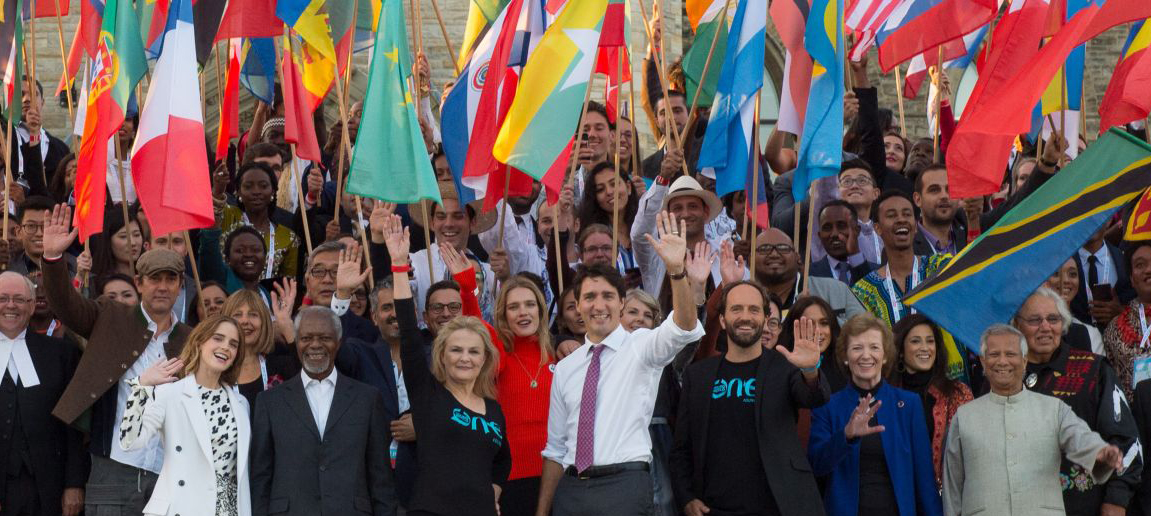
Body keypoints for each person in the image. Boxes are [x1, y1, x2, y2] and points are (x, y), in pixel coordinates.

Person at [538, 211, 705, 516]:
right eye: (589, 297)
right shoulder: (565, 368)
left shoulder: (642, 347)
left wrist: (677, 271)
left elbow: (683, 326)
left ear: (621, 303)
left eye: (607, 296)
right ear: (578, 306)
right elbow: (555, 449)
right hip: (571, 488)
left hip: (625, 485)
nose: (598, 305)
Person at [42, 203, 193, 515]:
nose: (162, 287)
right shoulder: (109, 316)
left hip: (173, 473)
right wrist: (54, 259)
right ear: (138, 284)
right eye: (154, 279)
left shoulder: (192, 340)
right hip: (114, 470)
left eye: (170, 279)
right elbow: (65, 305)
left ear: (180, 286)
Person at [382, 214, 512, 516]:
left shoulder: (493, 408)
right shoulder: (428, 394)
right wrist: (399, 265)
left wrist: (492, 492)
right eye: (456, 350)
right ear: (442, 355)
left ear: (484, 359)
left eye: (473, 351)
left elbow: (503, 460)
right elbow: (411, 336)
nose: (465, 357)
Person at [670, 281, 829, 516]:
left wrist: (810, 370)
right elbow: (682, 447)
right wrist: (686, 497)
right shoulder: (698, 375)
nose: (746, 317)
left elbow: (814, 397)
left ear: (766, 320)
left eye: (754, 310)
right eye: (736, 309)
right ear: (723, 320)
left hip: (779, 506)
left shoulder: (785, 367)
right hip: (713, 508)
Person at [942, 324, 1125, 516]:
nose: (1002, 361)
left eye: (1010, 354)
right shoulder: (964, 416)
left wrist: (1100, 452)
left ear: (1024, 360)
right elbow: (952, 486)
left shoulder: (1053, 409)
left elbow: (1078, 437)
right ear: (982, 361)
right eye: (994, 354)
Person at [249, 306, 397, 516]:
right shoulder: (270, 401)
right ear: (297, 341)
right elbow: (260, 478)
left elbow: (381, 478)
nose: (315, 345)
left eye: (324, 337)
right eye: (307, 338)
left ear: (338, 343)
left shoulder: (367, 399)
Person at [1013, 287, 1142, 515]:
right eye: (1034, 320)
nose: (1045, 327)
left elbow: (1127, 441)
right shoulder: (1005, 376)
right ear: (1017, 325)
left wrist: (1117, 499)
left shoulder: (1094, 370)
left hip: (1083, 507)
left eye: (1053, 319)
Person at [808, 314, 942, 516]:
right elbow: (816, 465)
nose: (866, 355)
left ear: (885, 355)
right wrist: (846, 436)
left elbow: (924, 479)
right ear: (845, 357)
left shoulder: (908, 405)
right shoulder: (828, 406)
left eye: (874, 347)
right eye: (857, 348)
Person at [119, 315, 252, 516]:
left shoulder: (241, 404)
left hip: (228, 510)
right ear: (199, 342)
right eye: (218, 338)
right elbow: (130, 442)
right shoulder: (170, 394)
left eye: (233, 344)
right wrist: (142, 386)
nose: (226, 347)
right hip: (181, 507)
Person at [0, 272, 86, 516]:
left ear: (31, 305)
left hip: (48, 486)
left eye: (19, 299)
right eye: (3, 298)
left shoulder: (60, 353)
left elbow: (73, 426)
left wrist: (74, 484)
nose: (10, 305)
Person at [889, 315, 973, 487]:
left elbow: (969, 452)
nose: (925, 348)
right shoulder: (886, 395)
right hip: (896, 495)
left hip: (943, 497)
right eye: (915, 341)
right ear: (900, 350)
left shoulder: (957, 394)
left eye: (930, 341)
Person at [407, 182, 498, 324]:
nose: (449, 223)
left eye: (458, 216)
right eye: (441, 216)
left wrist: (503, 277)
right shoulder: (414, 263)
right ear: (432, 223)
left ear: (472, 222)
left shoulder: (487, 273)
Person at [632, 175, 726, 297]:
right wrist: (663, 179)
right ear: (667, 215)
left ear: (706, 212)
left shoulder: (724, 258)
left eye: (693, 206)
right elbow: (640, 235)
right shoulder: (657, 255)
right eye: (677, 208)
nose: (685, 214)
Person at [753, 228, 867, 323]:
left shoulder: (836, 290)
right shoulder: (741, 296)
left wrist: (818, 318)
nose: (774, 254)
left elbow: (866, 331)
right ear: (750, 258)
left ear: (797, 257)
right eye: (764, 249)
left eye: (783, 248)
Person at [218, 162, 301, 279]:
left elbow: (288, 284)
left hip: (266, 296)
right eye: (248, 186)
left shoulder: (288, 237)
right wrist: (217, 191)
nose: (256, 191)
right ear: (239, 192)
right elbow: (213, 215)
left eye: (263, 186)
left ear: (273, 191)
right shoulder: (227, 215)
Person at [222, 288, 299, 410]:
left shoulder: (280, 365)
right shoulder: (217, 371)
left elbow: (308, 378)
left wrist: (287, 327)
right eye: (237, 315)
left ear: (264, 323)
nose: (245, 321)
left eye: (253, 314)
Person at [1104, 241, 1151, 400]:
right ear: (1131, 279)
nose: (1148, 270)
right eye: (1140, 265)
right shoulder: (1114, 329)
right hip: (1134, 420)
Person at [1072, 224, 1134, 329]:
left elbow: (1140, 304)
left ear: (1109, 219)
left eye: (1095, 214)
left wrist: (1121, 312)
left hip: (1116, 339)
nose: (1091, 221)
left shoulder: (1125, 261)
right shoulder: (1062, 262)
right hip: (1076, 341)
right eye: (1086, 214)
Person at [811, 200, 877, 285]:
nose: (834, 234)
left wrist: (855, 255)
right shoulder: (808, 276)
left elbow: (871, 297)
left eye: (841, 226)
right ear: (820, 236)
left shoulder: (878, 273)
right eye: (827, 228)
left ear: (857, 230)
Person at [1047, 256, 1104, 354]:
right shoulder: (1030, 329)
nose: (1065, 280)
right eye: (1056, 274)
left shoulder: (1090, 334)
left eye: (1072, 274)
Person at [9, 196, 76, 275]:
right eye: (31, 226)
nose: (39, 233)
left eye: (46, 226)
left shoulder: (76, 267)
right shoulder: (7, 267)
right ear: (18, 232)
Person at [911, 166, 967, 256]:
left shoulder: (968, 228)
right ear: (918, 199)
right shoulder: (907, 245)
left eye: (950, 189)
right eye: (934, 190)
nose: (944, 196)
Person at [88, 207, 144, 279]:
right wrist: (79, 276)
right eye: (123, 236)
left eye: (136, 235)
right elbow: (76, 288)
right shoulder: (95, 280)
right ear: (108, 240)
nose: (132, 243)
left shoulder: (150, 275)